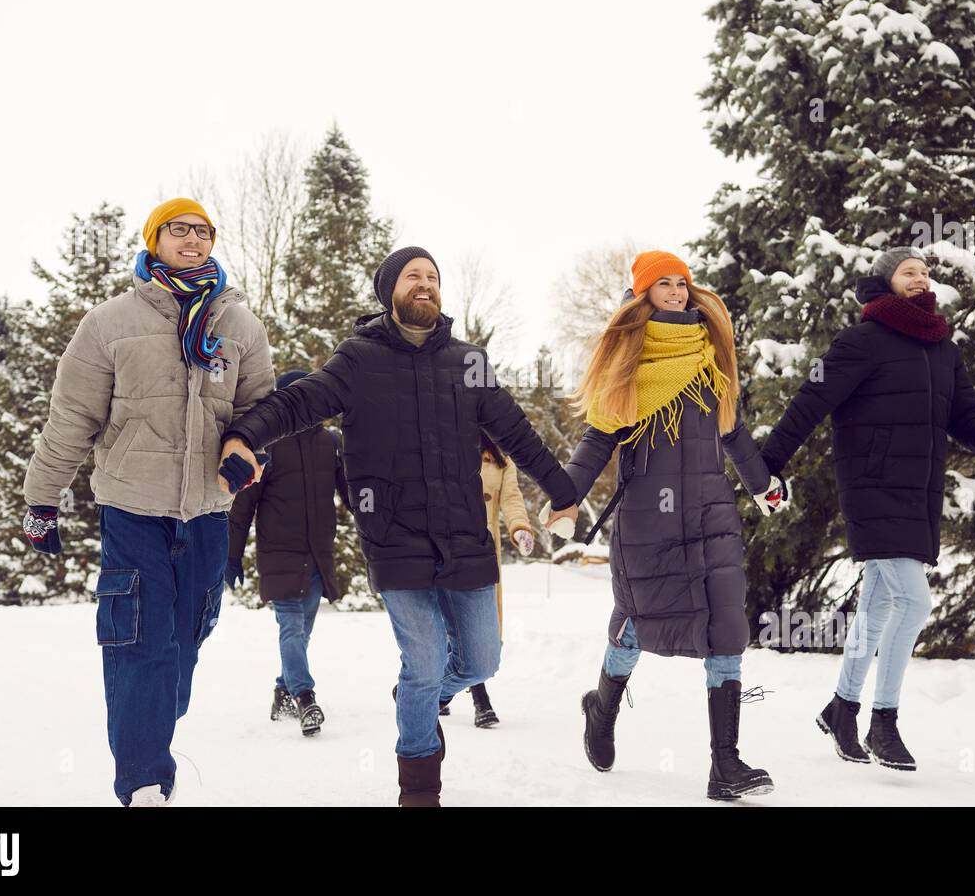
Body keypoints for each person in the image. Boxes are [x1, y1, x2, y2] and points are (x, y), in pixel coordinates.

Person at [216, 246, 575, 806]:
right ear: (390, 292)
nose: (426, 284)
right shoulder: (359, 360)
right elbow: (298, 404)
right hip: (394, 537)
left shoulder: (468, 361)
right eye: (414, 276)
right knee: (426, 659)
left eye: (433, 276)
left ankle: (419, 694)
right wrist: (243, 436)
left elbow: (518, 435)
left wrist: (565, 491)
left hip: (464, 536)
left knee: (483, 659)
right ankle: (419, 791)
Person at [22, 198, 274, 806]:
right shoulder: (109, 323)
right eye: (179, 230)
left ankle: (153, 730)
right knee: (140, 643)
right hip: (133, 510)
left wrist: (247, 446)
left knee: (185, 643)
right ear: (154, 240)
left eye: (203, 231)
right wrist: (41, 498)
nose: (192, 239)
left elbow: (265, 410)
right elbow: (72, 419)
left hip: (210, 513)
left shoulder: (238, 325)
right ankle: (143, 782)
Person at [758, 246, 975, 771]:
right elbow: (811, 401)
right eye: (907, 272)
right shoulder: (862, 341)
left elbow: (963, 411)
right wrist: (767, 464)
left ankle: (842, 708)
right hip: (873, 487)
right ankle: (885, 722)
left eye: (924, 271)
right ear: (886, 284)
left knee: (877, 607)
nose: (920, 278)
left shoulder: (943, 347)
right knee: (914, 603)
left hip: (918, 493)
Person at [551, 250, 788, 801]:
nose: (679, 292)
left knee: (726, 627)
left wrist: (763, 486)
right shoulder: (629, 366)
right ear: (643, 295)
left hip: (711, 515)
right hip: (648, 522)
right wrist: (565, 498)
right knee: (635, 624)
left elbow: (734, 433)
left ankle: (724, 766)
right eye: (664, 285)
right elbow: (596, 441)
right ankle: (601, 710)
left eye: (682, 283)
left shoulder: (710, 358)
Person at [226, 369, 350, 737]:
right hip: (279, 552)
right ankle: (305, 696)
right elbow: (242, 507)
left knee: (301, 631)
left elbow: (351, 493)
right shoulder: (266, 448)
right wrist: (231, 556)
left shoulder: (329, 443)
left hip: (317, 553)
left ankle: (283, 688)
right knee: (292, 627)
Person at [458, 431, 537, 728]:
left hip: (484, 552)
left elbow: (512, 499)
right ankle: (478, 697)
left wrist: (520, 528)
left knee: (482, 625)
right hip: (449, 547)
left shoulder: (500, 459)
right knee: (450, 622)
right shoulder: (445, 442)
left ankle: (442, 690)